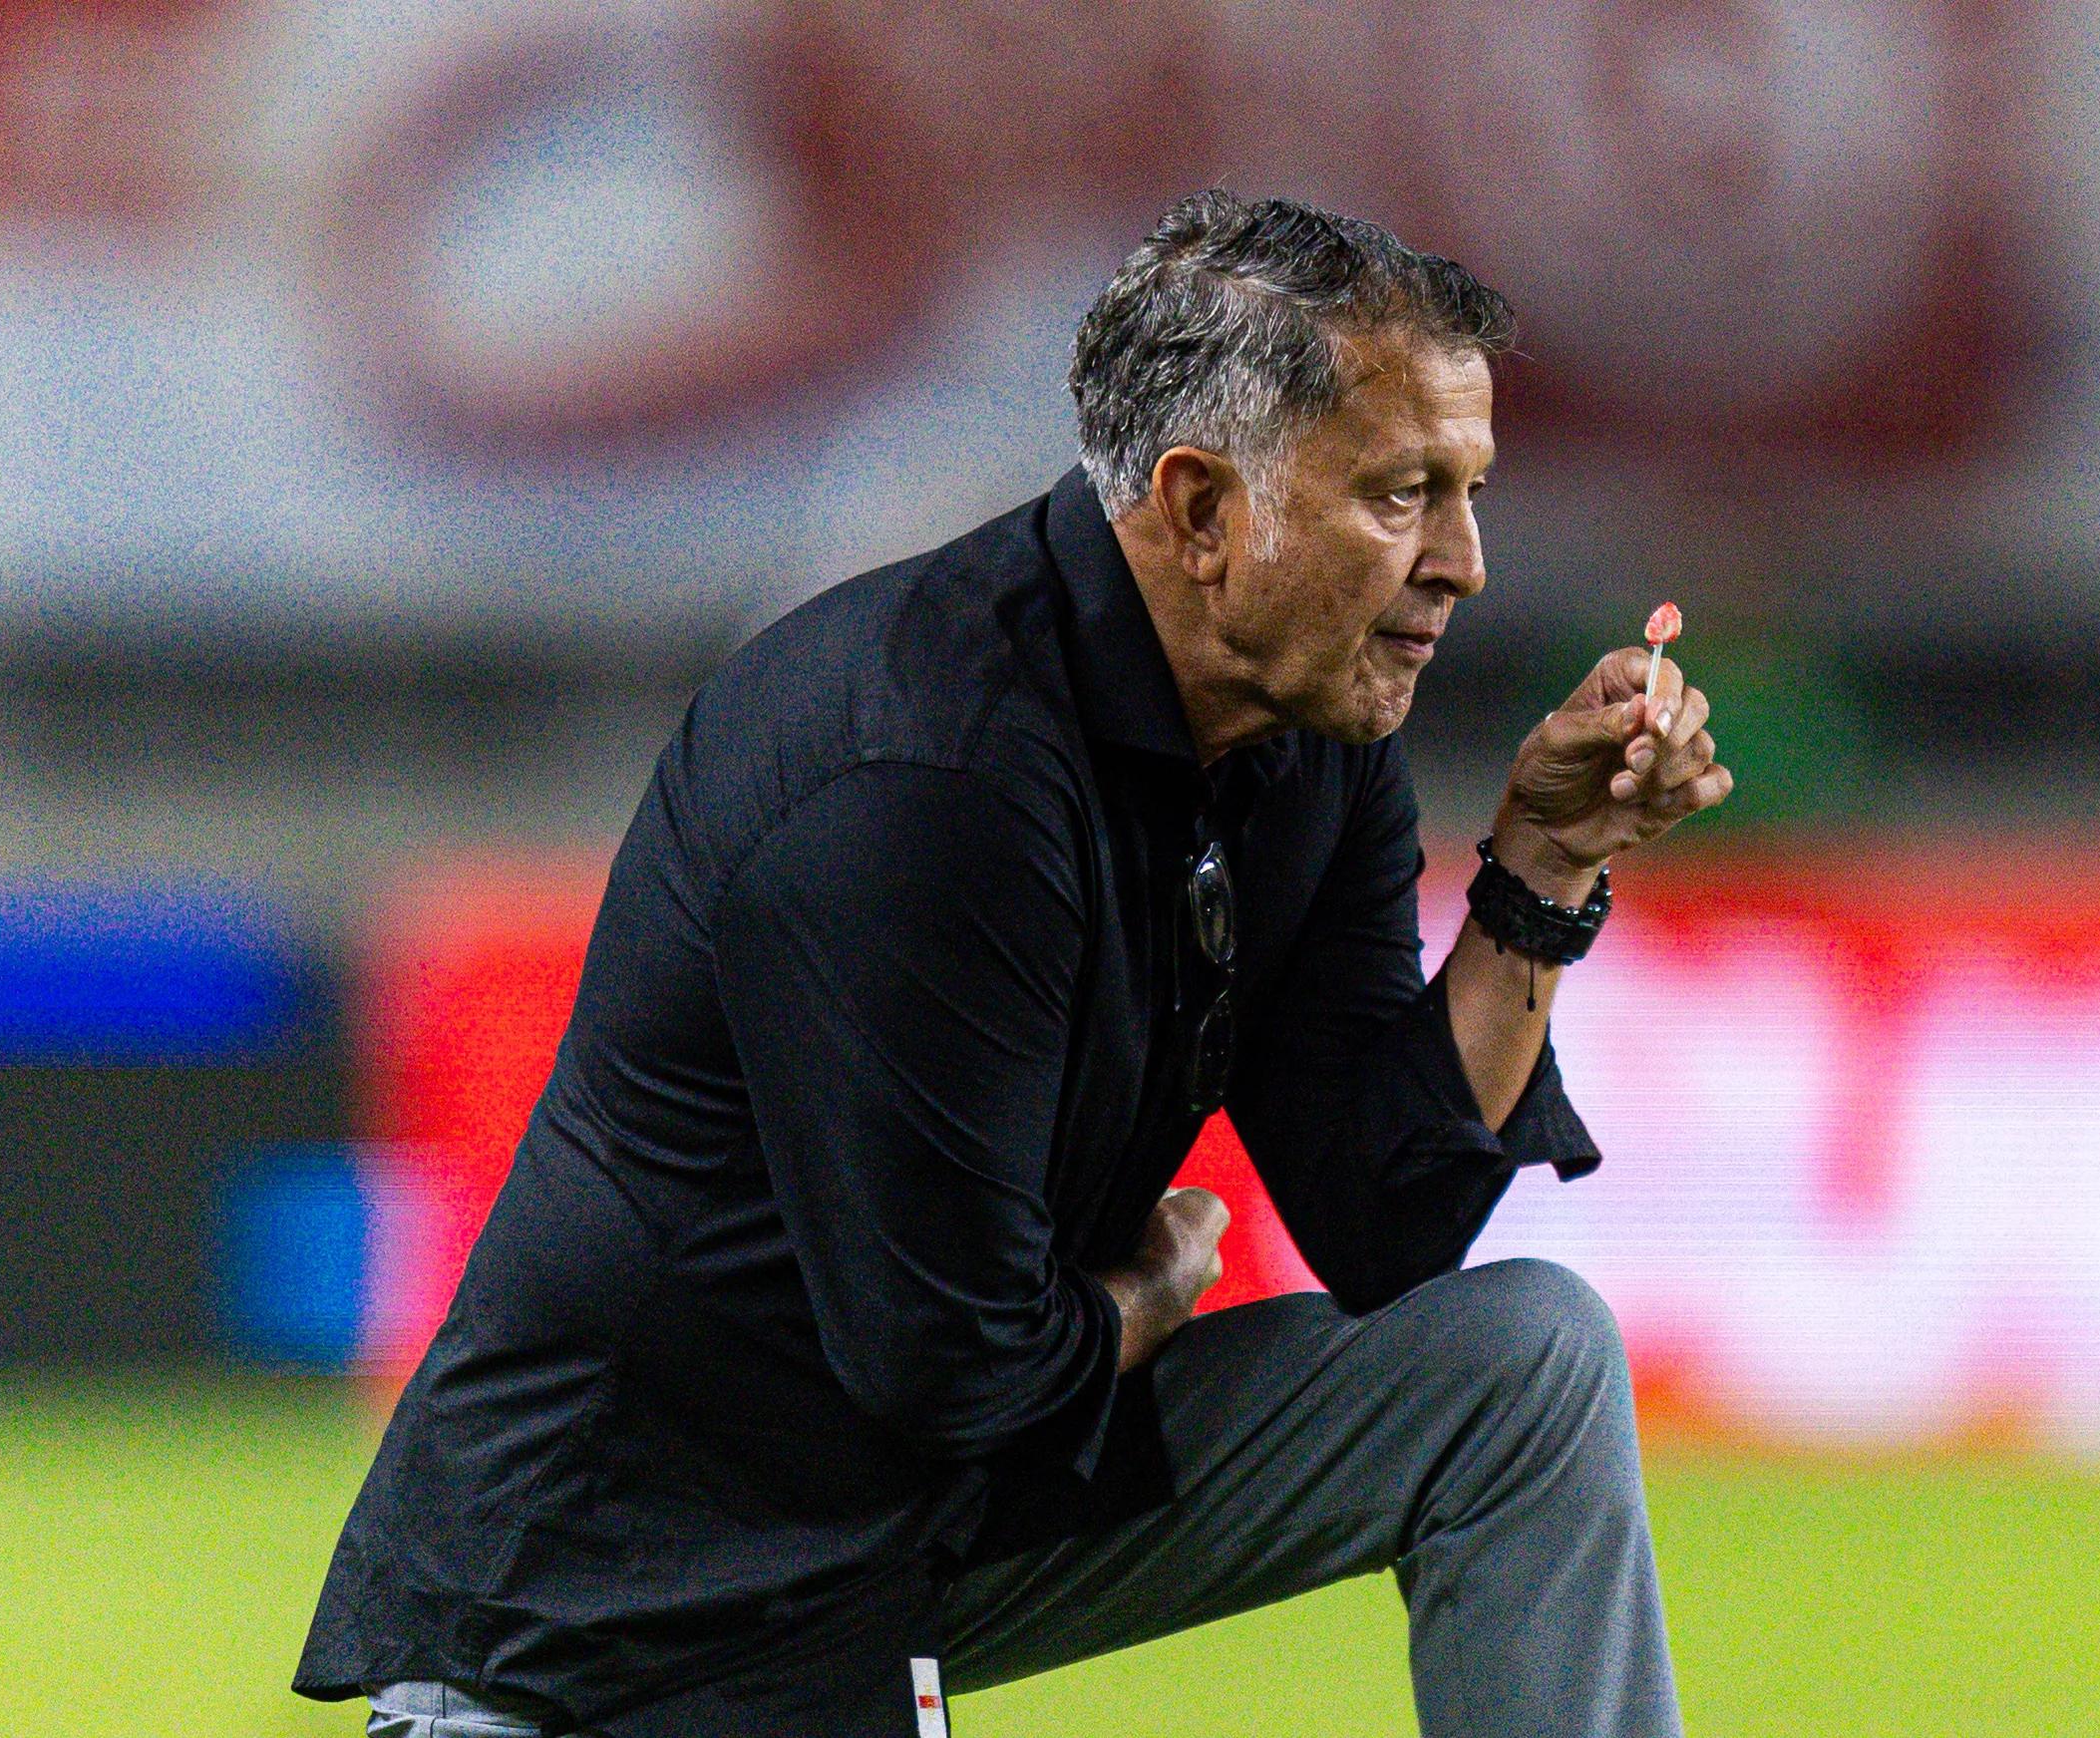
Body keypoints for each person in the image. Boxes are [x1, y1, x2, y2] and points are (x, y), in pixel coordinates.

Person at [295, 190, 1731, 1738]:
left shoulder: (1304, 729)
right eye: (1401, 493)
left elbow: (1388, 1220)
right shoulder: (922, 773)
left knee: (1517, 1368)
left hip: (945, 1497)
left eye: (1469, 490)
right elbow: (949, 1367)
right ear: (1198, 512)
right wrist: (1149, 1287)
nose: (1463, 560)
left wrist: (1542, 869)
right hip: (629, 1603)